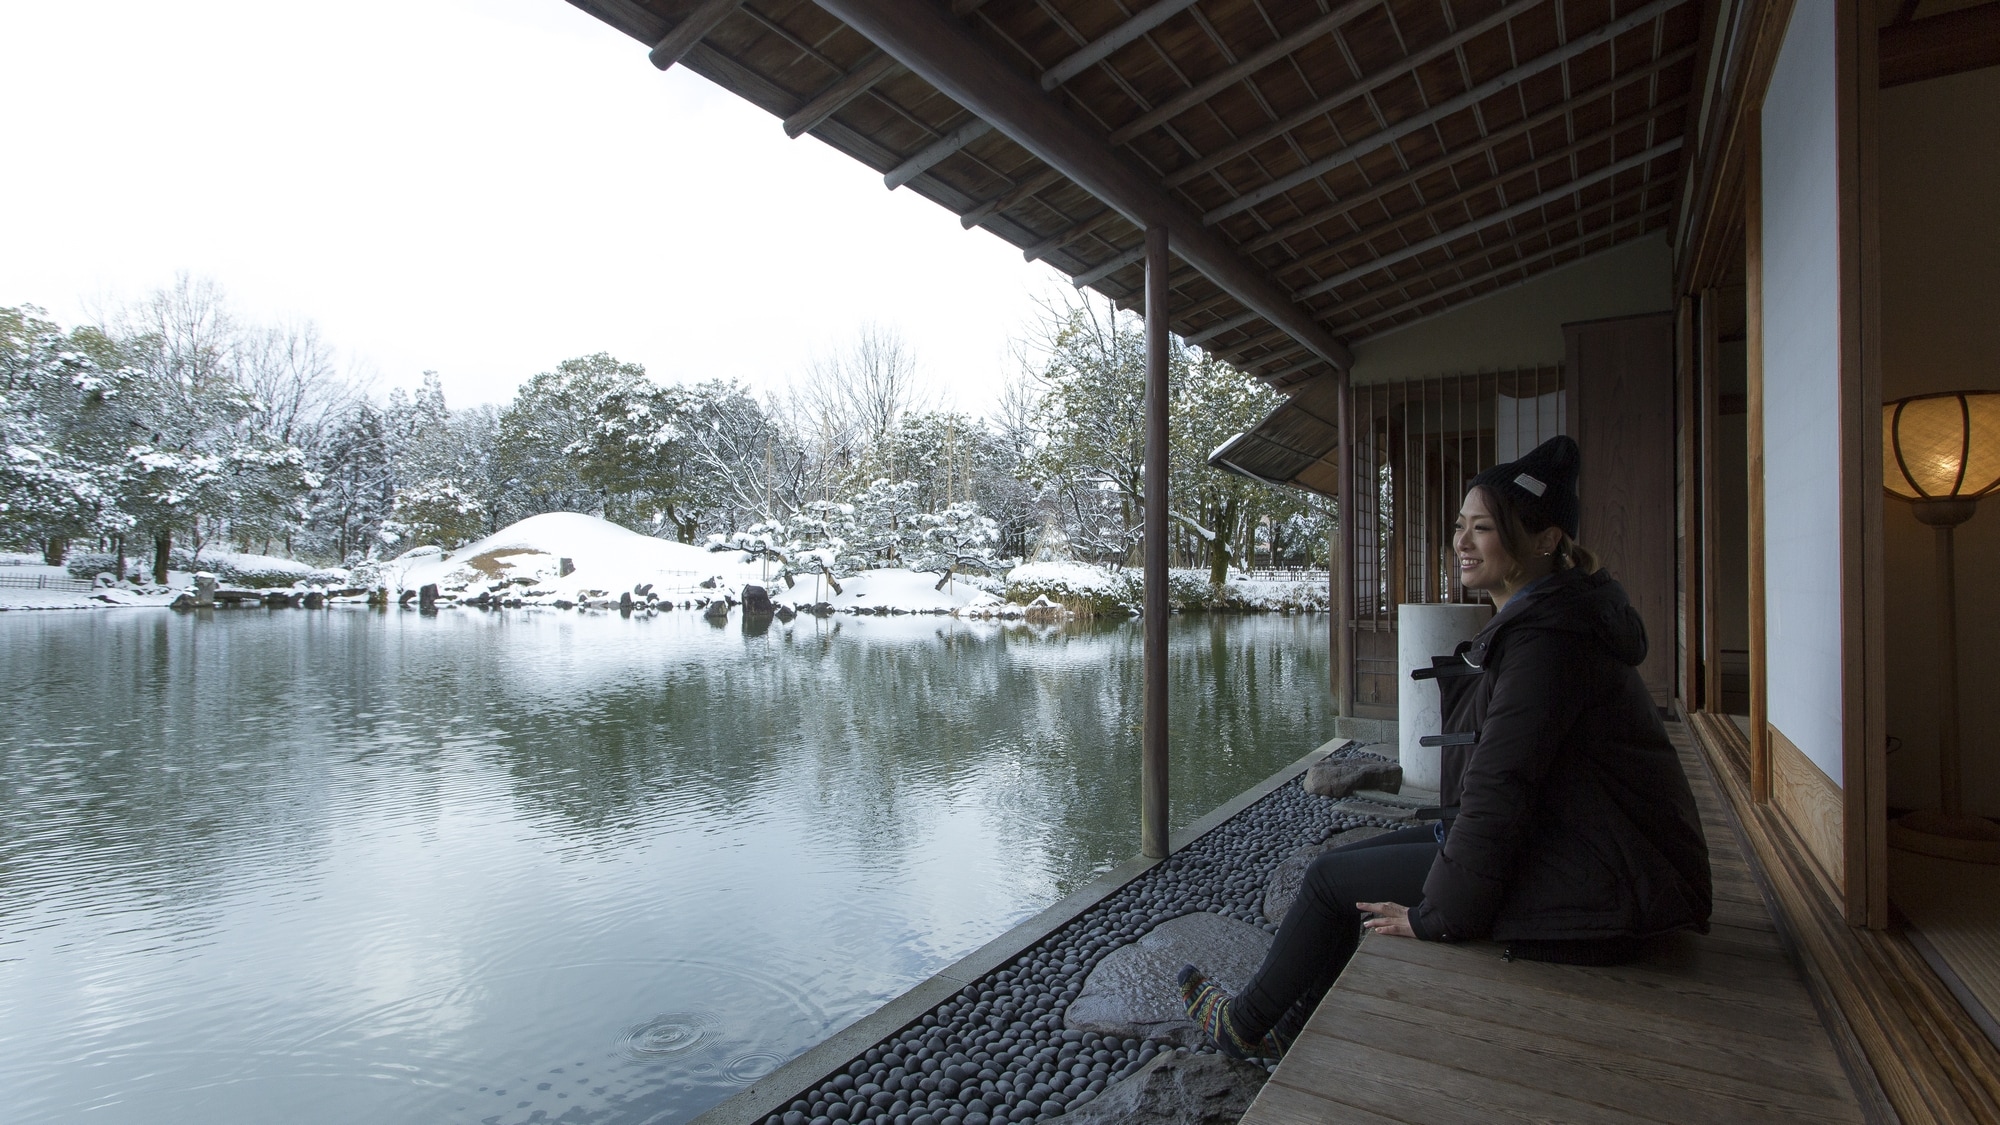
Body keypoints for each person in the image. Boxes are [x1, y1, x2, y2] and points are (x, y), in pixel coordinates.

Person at [1177, 435, 1712, 1059]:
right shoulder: (1552, 619)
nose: (1460, 541)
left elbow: (1501, 791)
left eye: (1483, 528)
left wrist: (1437, 917)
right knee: (1367, 860)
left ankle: (1243, 1027)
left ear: (1545, 540)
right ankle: (1291, 1024)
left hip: (1605, 880)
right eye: (1461, 525)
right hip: (1589, 845)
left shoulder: (1549, 643)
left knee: (1328, 879)